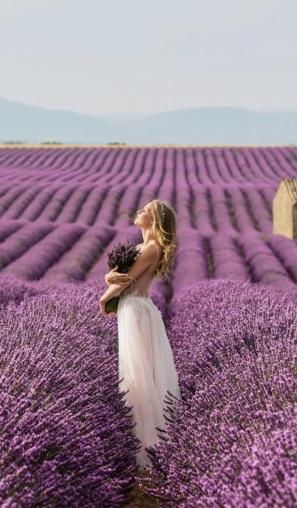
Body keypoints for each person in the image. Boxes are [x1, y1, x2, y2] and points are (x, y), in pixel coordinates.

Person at [99, 199, 181, 470]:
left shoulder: (152, 249)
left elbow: (125, 281)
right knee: (135, 374)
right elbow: (113, 276)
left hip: (135, 310)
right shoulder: (140, 248)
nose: (139, 212)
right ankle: (139, 443)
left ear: (154, 219)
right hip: (132, 310)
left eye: (144, 210)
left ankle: (147, 448)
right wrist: (110, 281)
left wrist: (104, 298)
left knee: (138, 377)